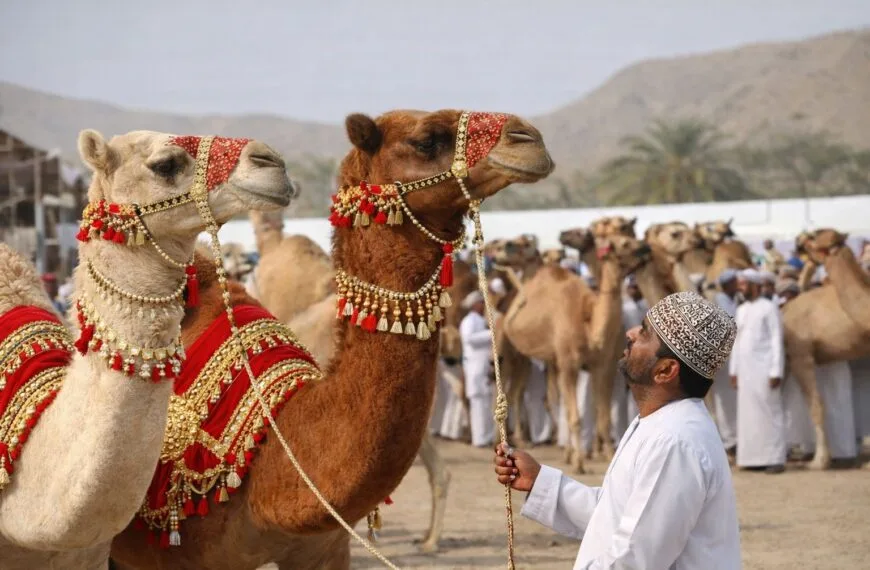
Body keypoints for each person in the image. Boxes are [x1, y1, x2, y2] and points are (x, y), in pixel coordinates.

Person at [495, 292, 740, 569]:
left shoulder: (674, 441)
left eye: (645, 333)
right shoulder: (660, 424)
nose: (631, 332)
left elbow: (634, 559)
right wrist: (539, 481)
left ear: (665, 370)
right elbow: (616, 515)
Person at [731, 268, 786, 473]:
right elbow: (736, 342)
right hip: (745, 371)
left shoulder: (769, 308)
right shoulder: (741, 309)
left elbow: (776, 340)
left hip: (765, 369)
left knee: (769, 411)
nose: (741, 288)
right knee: (748, 415)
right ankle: (753, 459)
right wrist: (733, 371)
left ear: (755, 286)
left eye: (744, 284)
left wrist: (776, 371)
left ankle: (774, 458)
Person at [459, 290, 495, 447]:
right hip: (474, 366)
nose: (483, 306)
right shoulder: (469, 321)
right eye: (481, 302)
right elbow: (469, 339)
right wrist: (491, 334)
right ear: (475, 304)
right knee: (478, 403)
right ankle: (479, 438)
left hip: (483, 366)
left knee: (485, 403)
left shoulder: (480, 320)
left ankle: (486, 437)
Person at [711, 269, 739, 456]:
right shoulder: (717, 302)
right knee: (724, 401)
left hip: (740, 356)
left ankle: (738, 438)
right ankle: (729, 441)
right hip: (724, 356)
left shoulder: (738, 300)